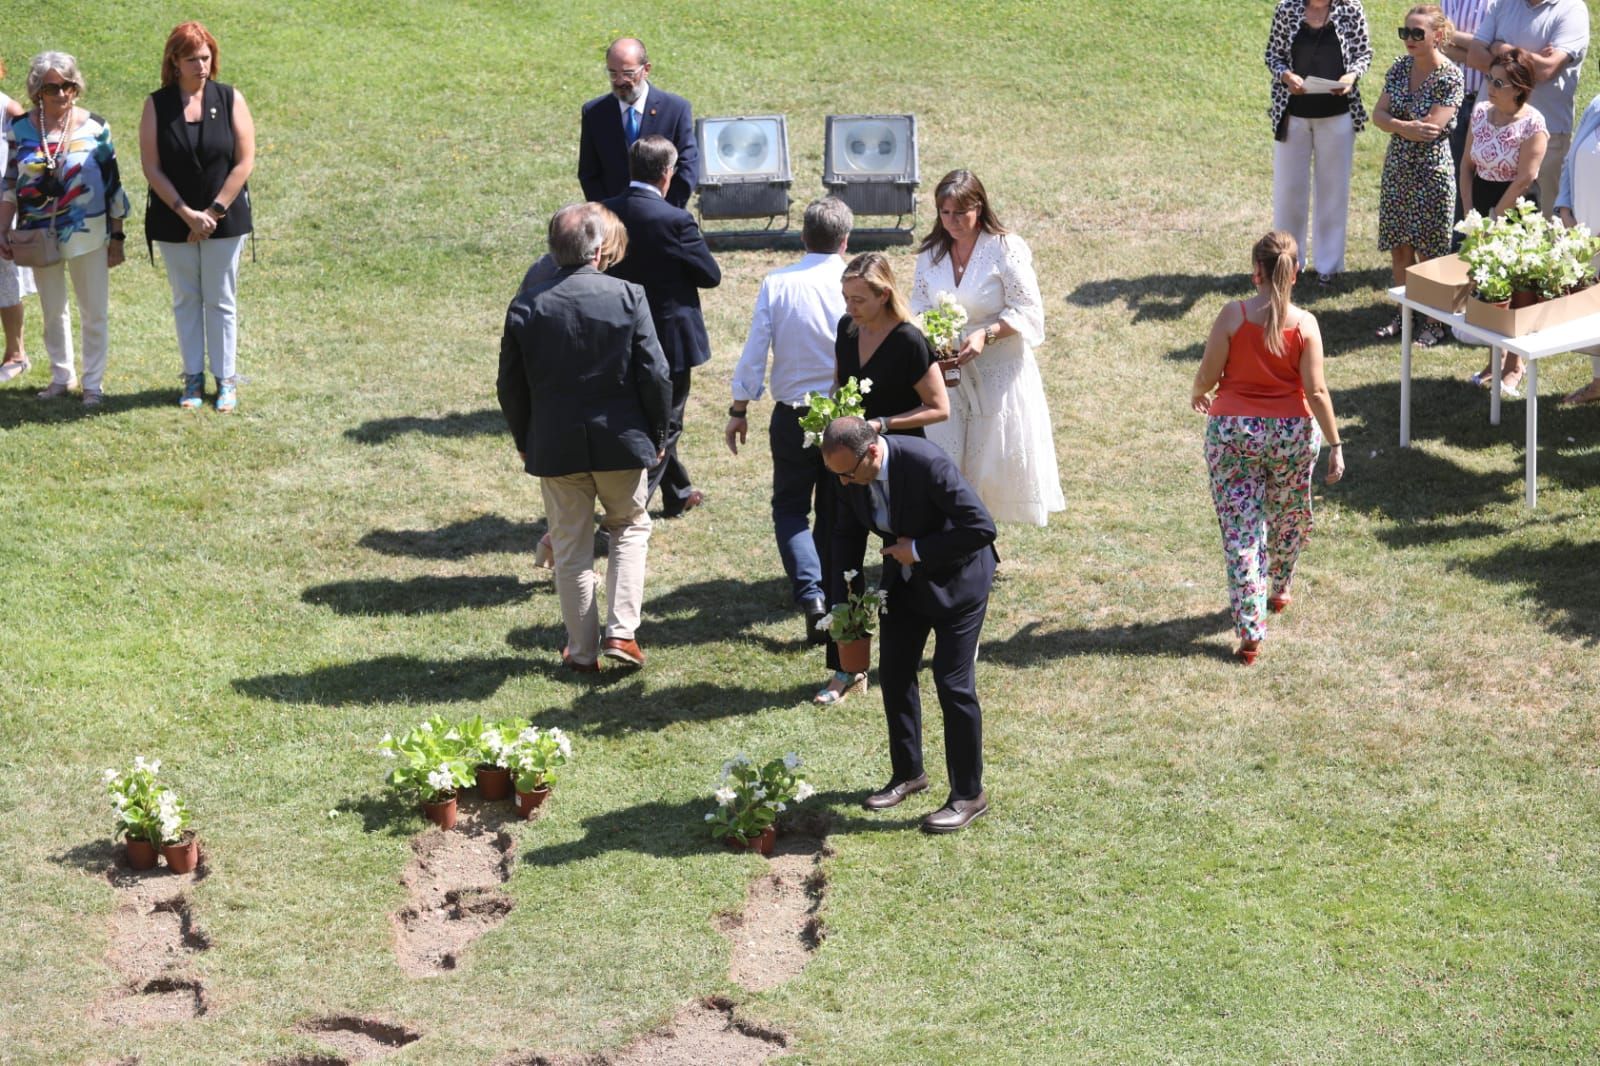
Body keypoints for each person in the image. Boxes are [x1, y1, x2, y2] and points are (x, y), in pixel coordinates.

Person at [498, 203, 672, 672]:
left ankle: (582, 653)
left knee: (571, 549)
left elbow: (509, 386)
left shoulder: (527, 304)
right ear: (598, 250)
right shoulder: (629, 295)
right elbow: (655, 374)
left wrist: (523, 438)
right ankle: (622, 632)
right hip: (621, 442)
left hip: (555, 447)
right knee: (630, 527)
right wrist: (659, 433)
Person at [822, 416, 997, 833]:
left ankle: (969, 795)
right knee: (896, 673)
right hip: (905, 583)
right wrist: (848, 601)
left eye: (849, 474)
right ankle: (908, 774)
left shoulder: (926, 464)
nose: (843, 484)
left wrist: (917, 550)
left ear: (874, 451)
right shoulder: (846, 473)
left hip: (959, 583)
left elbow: (981, 527)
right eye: (837, 475)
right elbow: (845, 535)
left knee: (952, 682)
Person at [1191, 232, 1345, 666]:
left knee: (1243, 531)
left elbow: (1206, 376)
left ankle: (1251, 630)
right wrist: (1335, 443)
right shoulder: (1307, 324)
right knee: (1289, 512)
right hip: (1293, 434)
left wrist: (1198, 392)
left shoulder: (1232, 316)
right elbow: (1315, 391)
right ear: (1295, 273)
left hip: (1234, 433)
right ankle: (1280, 587)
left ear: (1255, 271)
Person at [820, 252, 948, 705]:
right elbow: (841, 386)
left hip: (899, 468)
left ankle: (920, 653)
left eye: (859, 299)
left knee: (907, 563)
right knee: (842, 559)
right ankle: (846, 667)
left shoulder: (910, 340)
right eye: (845, 297)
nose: (850, 307)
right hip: (852, 466)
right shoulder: (846, 330)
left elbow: (939, 407)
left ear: (884, 294)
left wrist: (881, 425)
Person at [726, 197, 852, 651]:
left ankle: (811, 594)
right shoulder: (856, 280)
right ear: (846, 240)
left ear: (803, 237)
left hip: (792, 414)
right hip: (845, 413)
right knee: (835, 506)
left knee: (791, 508)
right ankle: (825, 589)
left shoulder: (777, 283)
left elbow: (756, 349)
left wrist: (739, 408)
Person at [911, 170, 1064, 527]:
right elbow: (918, 303)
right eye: (944, 213)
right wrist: (933, 333)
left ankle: (978, 545)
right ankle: (952, 540)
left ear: (978, 207)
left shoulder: (1005, 247)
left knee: (989, 464)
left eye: (959, 213)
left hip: (998, 373)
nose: (952, 222)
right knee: (946, 456)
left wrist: (986, 334)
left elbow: (1028, 310)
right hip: (949, 375)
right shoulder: (932, 253)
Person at [139, 22, 255, 413]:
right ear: (174, 60)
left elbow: (244, 161)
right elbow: (152, 167)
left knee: (221, 300)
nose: (201, 66)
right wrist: (187, 215)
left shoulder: (230, 98)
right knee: (186, 298)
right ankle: (192, 379)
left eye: (205, 58)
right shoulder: (157, 105)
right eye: (192, 59)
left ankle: (226, 381)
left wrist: (212, 213)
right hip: (175, 219)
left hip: (225, 218)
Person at [0, 52, 127, 407]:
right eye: (53, 86)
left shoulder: (95, 127)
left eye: (68, 85)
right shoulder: (21, 128)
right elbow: (10, 183)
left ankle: (94, 384)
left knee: (94, 310)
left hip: (89, 232)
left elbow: (114, 186)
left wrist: (117, 236)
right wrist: (1, 228)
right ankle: (61, 376)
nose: (61, 93)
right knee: (52, 308)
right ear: (38, 89)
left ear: (76, 87)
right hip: (38, 234)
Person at [603, 135, 720, 518]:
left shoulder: (605, 212)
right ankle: (630, 510)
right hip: (670, 341)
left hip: (622, 335)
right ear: (667, 174)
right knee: (665, 426)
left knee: (653, 417)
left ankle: (679, 492)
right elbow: (709, 275)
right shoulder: (675, 220)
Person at [523, 205, 631, 569]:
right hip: (601, 422)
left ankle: (552, 546)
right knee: (617, 522)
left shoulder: (537, 279)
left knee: (569, 513)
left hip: (554, 420)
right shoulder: (615, 294)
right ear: (596, 249)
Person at [1373, 5, 1464, 348]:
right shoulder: (1399, 68)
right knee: (1400, 248)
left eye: (1417, 33)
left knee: (1430, 252)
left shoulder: (1451, 75)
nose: (1409, 40)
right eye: (1405, 33)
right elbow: (1377, 114)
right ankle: (1404, 314)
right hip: (1398, 168)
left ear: (1438, 36)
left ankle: (1434, 322)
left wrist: (1399, 124)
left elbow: (1432, 128)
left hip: (1431, 172)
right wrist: (1403, 126)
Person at [1266, 0, 1373, 285]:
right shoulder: (1287, 8)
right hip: (1293, 114)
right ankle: (1288, 263)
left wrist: (1351, 76)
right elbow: (1272, 56)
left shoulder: (1351, 9)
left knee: (1333, 191)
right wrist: (1286, 76)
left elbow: (1364, 54)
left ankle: (1329, 266)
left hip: (1337, 115)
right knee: (1289, 191)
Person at [1459, 50, 1547, 397]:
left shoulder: (1533, 123)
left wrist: (1495, 216)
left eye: (1499, 82)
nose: (1490, 87)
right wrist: (1469, 209)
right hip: (1480, 202)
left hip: (1516, 211)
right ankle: (1494, 357)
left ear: (1520, 88)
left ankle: (1515, 364)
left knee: (1517, 290)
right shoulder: (1480, 113)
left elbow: (1526, 178)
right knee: (1490, 289)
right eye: (1488, 79)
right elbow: (1467, 164)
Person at [1452, 0, 1590, 218]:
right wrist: (1530, 60)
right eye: (1495, 78)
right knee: (1478, 226)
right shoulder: (1504, 4)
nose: (1496, 81)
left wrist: (1502, 48)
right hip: (1492, 125)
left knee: (1540, 226)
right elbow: (1475, 55)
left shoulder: (1572, 10)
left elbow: (1547, 70)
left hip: (1545, 134)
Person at [578, 37, 699, 209]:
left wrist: (666, 212)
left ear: (646, 69)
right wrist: (607, 215)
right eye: (613, 73)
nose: (619, 81)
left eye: (628, 74)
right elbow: (589, 173)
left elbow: (688, 168)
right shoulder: (594, 113)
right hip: (614, 223)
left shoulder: (675, 110)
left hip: (663, 218)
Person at [1555, 93, 1600, 406]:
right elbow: (1571, 159)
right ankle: (1599, 383)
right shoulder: (1596, 104)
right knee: (1593, 314)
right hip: (1583, 234)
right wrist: (1565, 209)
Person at [1440, 0, 1494, 244]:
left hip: (1487, 103)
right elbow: (1439, 44)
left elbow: (1496, 56)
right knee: (1453, 181)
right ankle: (1456, 248)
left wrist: (1450, 35)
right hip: (1450, 102)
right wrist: (1476, 48)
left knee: (1482, 182)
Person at [0, 55, 34, 382]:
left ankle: (16, 353)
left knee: (5, 281)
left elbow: (30, 151)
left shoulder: (7, 109)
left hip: (1, 208)